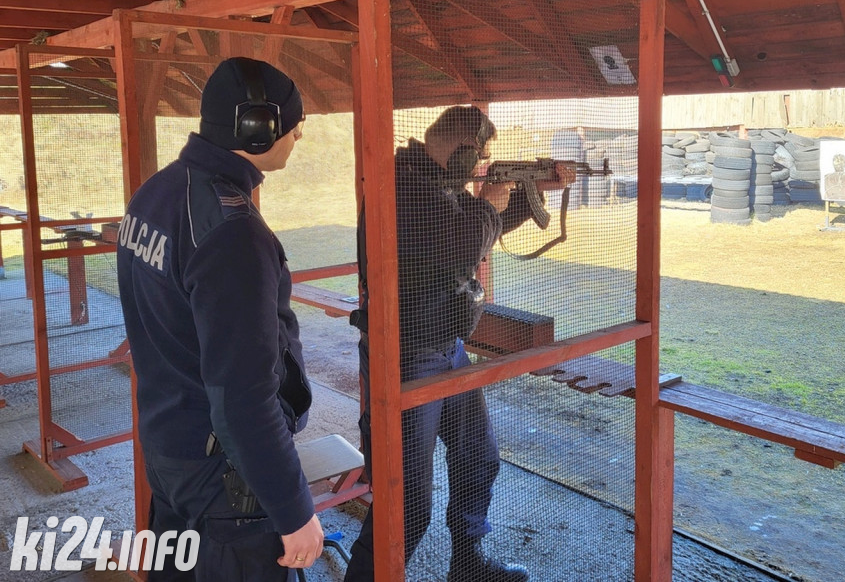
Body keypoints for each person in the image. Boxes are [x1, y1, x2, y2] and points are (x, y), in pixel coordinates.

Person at [116, 57, 323, 581]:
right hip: (225, 481)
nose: (299, 134)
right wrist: (293, 508)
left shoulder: (155, 193)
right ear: (258, 128)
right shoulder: (233, 234)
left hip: (170, 450)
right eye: (293, 122)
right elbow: (243, 396)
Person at [345, 106, 569, 582]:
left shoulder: (437, 181)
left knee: (477, 455)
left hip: (445, 346)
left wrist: (529, 197)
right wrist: (489, 201)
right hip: (403, 353)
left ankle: (468, 564)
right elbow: (462, 243)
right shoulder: (401, 188)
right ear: (461, 151)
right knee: (405, 502)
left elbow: (473, 231)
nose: (484, 163)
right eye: (481, 155)